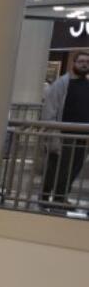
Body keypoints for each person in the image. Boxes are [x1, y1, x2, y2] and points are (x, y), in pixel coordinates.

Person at [40, 50, 89, 204]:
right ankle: (46, 197)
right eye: (81, 61)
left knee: (75, 167)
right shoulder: (62, 83)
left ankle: (61, 197)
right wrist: (52, 130)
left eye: (87, 62)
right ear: (73, 63)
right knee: (58, 167)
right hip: (63, 134)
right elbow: (51, 107)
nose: (84, 64)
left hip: (82, 136)